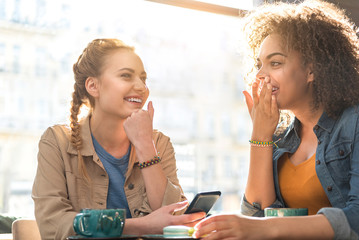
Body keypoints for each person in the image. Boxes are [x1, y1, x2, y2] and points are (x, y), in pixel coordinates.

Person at [193, 0, 359, 239]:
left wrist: (265, 228)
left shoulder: (353, 122)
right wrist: (260, 135)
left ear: (312, 70)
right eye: (260, 64)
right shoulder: (282, 138)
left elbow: (356, 218)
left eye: (275, 63)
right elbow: (255, 215)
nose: (261, 74)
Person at [32, 38, 205, 240]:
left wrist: (145, 146)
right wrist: (139, 226)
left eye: (143, 78)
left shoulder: (158, 143)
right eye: (126, 76)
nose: (141, 87)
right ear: (93, 86)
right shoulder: (57, 142)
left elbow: (172, 220)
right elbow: (53, 223)